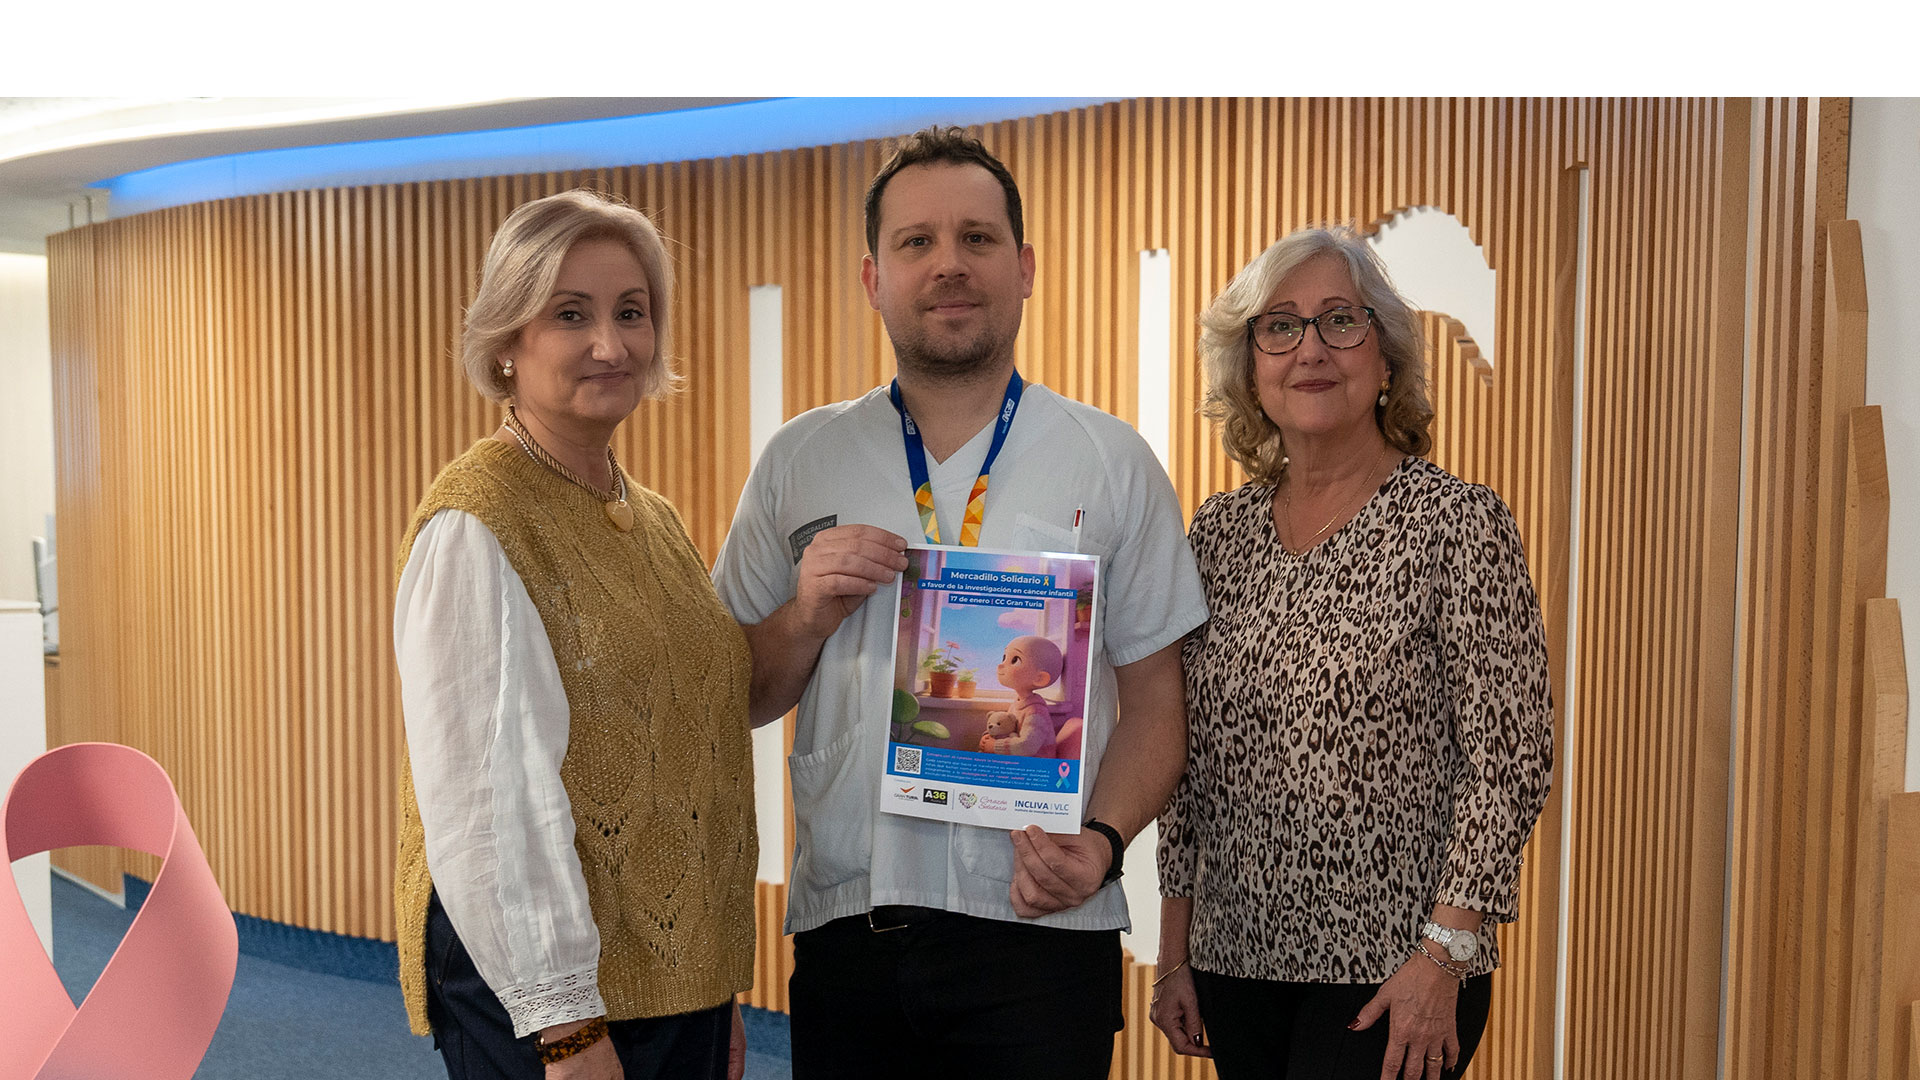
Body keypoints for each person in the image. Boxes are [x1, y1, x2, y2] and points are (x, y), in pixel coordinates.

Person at [711, 126, 1208, 1079]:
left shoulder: (1111, 462)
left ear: (1025, 269)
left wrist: (1102, 844)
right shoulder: (800, 460)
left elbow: (1157, 703)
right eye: (918, 242)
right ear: (873, 279)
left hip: (1042, 931)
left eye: (977, 239)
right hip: (853, 926)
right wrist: (805, 616)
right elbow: (737, 693)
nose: (949, 264)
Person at [1150, 226, 1553, 1080]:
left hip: (1395, 969)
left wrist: (1445, 954)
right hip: (1236, 961)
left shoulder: (1456, 523)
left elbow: (1509, 761)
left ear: (1386, 358)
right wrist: (1174, 951)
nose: (1310, 350)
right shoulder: (1218, 534)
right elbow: (1189, 764)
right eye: (1279, 327)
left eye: (1340, 320)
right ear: (1250, 367)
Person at [392, 189, 757, 1080]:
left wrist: (712, 991)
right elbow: (488, 805)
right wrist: (566, 1028)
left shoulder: (652, 517)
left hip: (667, 982)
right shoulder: (477, 522)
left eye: (631, 312)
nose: (611, 344)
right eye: (570, 315)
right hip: (548, 995)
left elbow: (685, 753)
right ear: (505, 341)